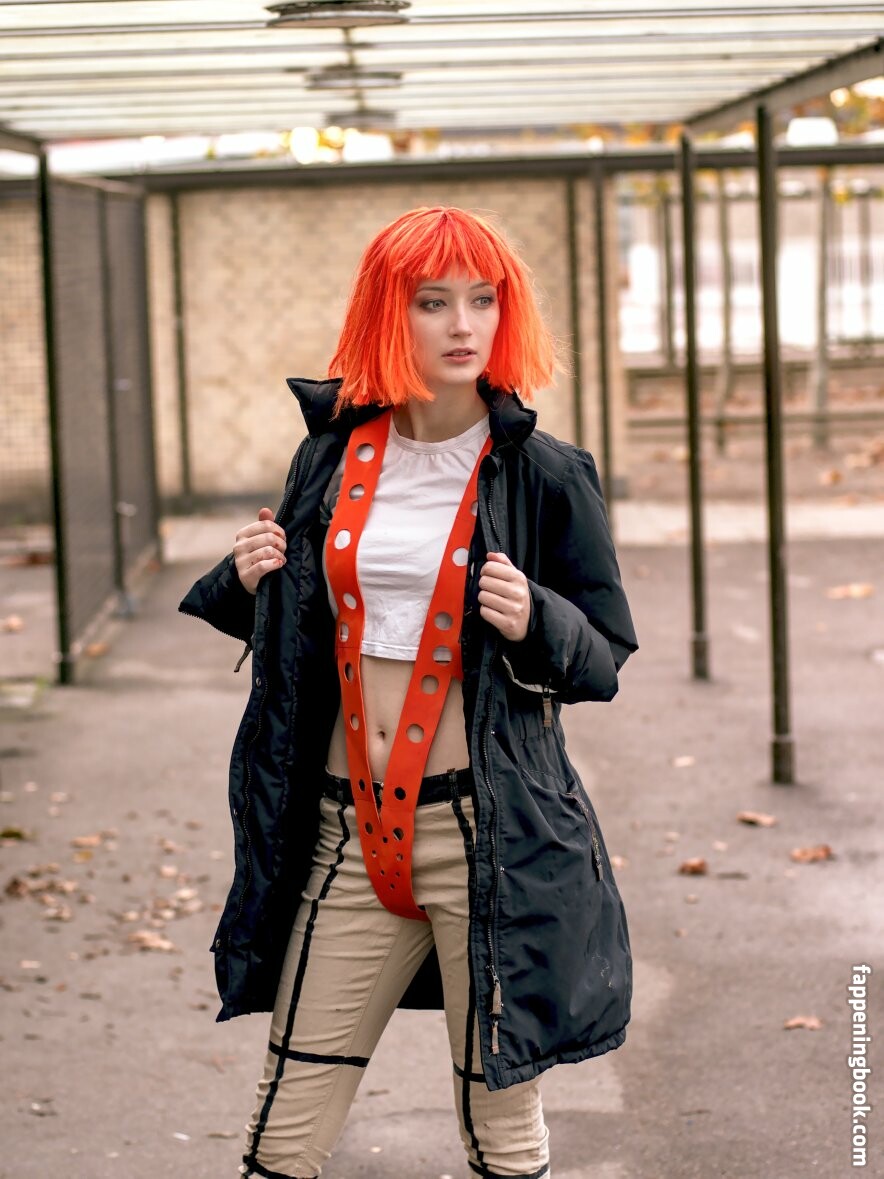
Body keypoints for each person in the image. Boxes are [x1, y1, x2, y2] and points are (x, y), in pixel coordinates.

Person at [179, 206, 638, 1179]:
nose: (462, 324)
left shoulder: (546, 474)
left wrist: (537, 619)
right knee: (282, 1130)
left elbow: (602, 654)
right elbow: (293, 619)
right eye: (433, 303)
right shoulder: (330, 456)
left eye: (482, 299)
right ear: (390, 315)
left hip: (488, 838)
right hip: (346, 835)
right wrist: (247, 577)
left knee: (501, 1127)